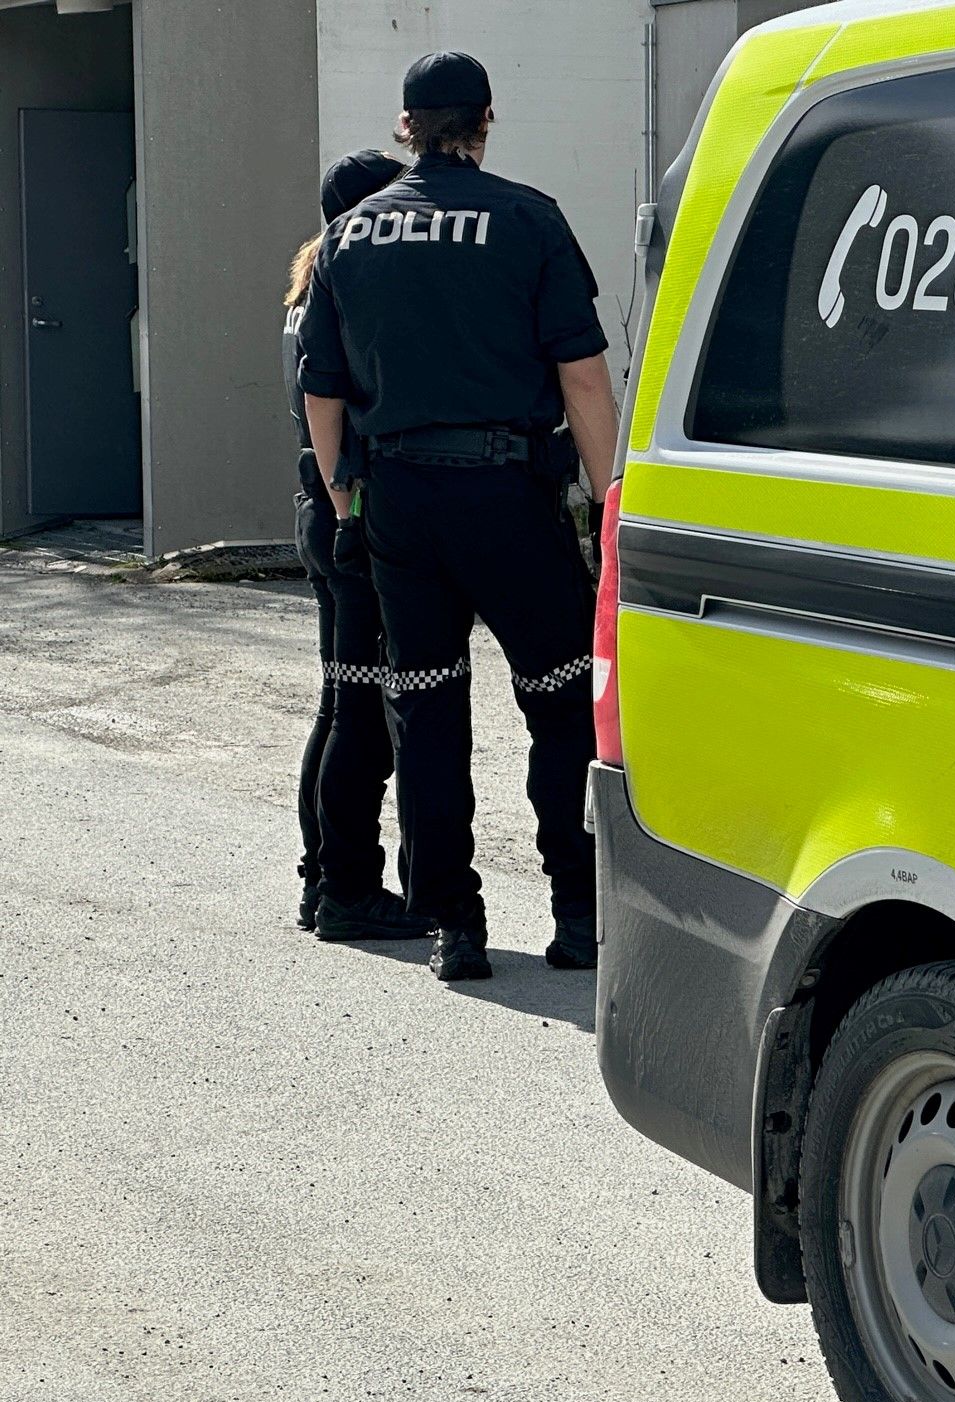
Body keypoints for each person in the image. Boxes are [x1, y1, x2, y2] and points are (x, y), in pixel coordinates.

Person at [297, 51, 620, 982]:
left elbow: (323, 393)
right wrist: (609, 509)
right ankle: (579, 913)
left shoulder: (350, 236)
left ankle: (455, 926)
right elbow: (582, 378)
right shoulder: (528, 219)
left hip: (401, 504)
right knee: (560, 703)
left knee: (428, 712)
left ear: (407, 127)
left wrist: (348, 505)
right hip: (506, 497)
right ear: (485, 120)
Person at [286, 149, 432, 944]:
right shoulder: (343, 293)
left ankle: (323, 878)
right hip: (353, 515)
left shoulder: (312, 285)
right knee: (363, 718)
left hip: (323, 512)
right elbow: (336, 407)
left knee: (340, 704)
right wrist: (353, 516)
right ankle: (348, 889)